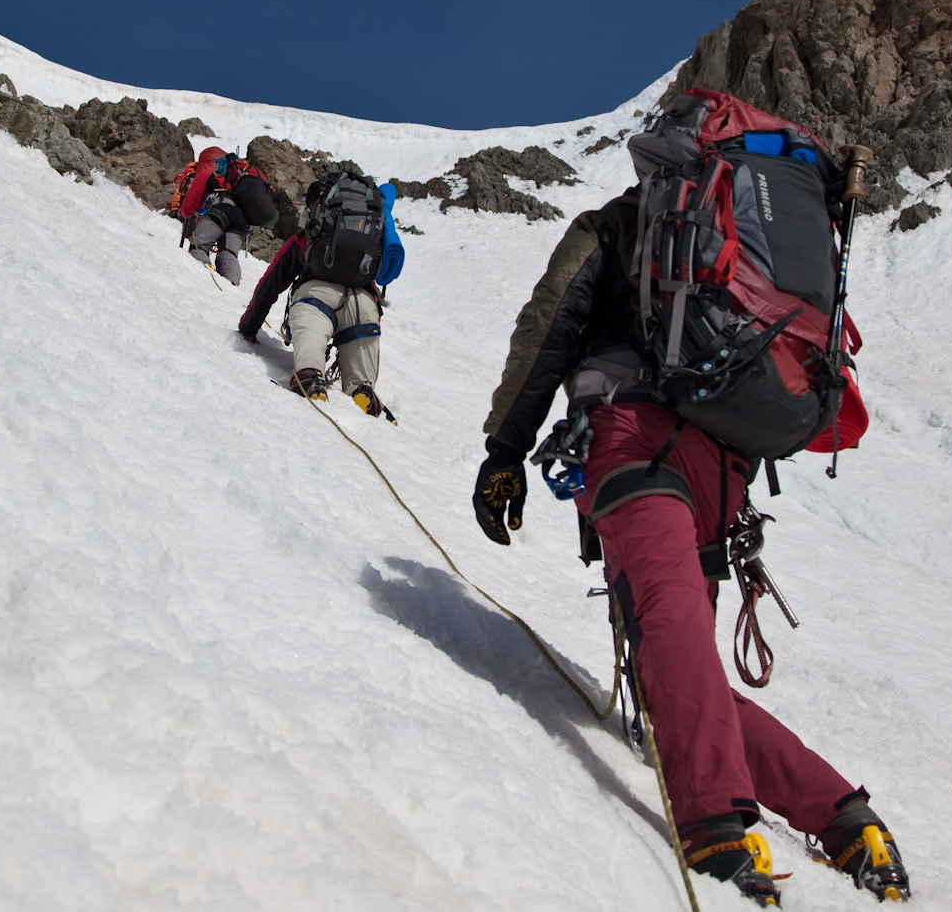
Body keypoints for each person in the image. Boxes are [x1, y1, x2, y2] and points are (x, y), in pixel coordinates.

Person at [472, 149, 909, 903]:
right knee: (685, 670)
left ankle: (713, 825)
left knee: (668, 624)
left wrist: (505, 449)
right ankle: (843, 815)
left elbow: (551, 322)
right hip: (723, 468)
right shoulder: (749, 260)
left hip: (634, 438)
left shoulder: (616, 225)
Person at [237, 173, 388, 417]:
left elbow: (270, 285)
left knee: (311, 341)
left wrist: (248, 327)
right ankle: (362, 390)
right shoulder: (369, 242)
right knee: (360, 376)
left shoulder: (307, 240)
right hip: (364, 308)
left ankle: (310, 375)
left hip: (316, 299)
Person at [176, 145, 248, 286]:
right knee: (228, 253)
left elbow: (187, 209)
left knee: (198, 247)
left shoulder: (207, 170)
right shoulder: (233, 172)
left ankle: (206, 283)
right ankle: (231, 287)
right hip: (241, 218)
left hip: (220, 210)